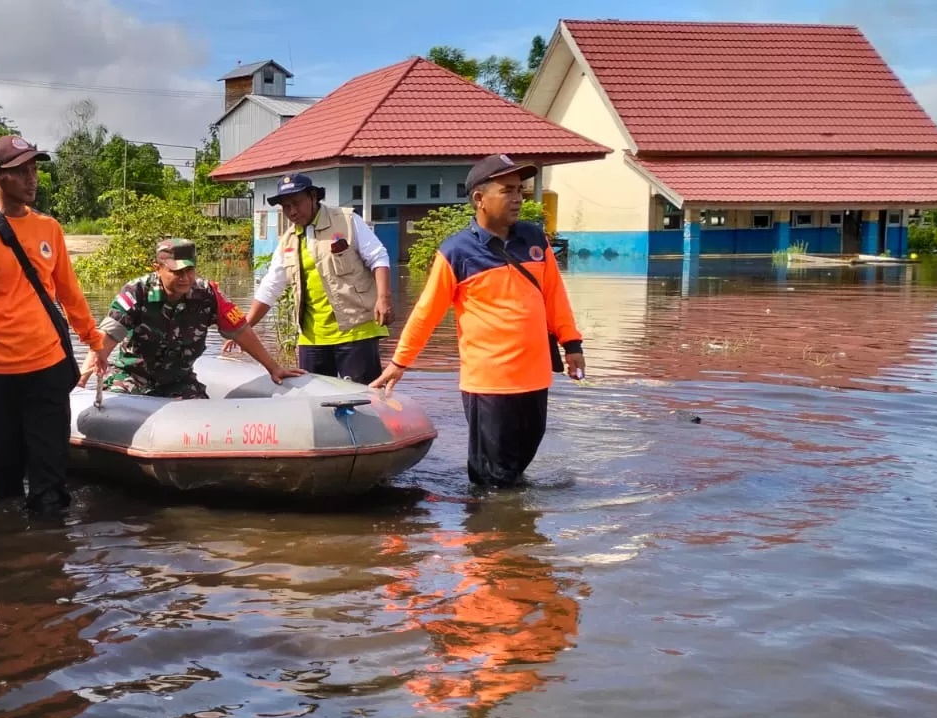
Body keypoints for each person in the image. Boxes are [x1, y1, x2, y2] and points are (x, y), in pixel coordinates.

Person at [369, 154, 586, 488]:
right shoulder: (457, 251)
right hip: (489, 385)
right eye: (507, 190)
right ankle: (487, 522)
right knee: (491, 481)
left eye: (520, 190)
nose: (518, 198)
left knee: (516, 469)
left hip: (535, 379)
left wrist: (572, 345)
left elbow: (555, 297)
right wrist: (400, 363)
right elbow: (426, 313)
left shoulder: (535, 240)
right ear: (479, 198)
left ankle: (514, 519)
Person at [0, 135, 104, 516]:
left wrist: (94, 342)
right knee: (3, 481)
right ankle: (8, 546)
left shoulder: (49, 228)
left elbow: (70, 292)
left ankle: (48, 548)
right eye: (20, 172)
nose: (31, 178)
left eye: (33, 169)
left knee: (51, 485)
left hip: (46, 368)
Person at [79, 238, 304, 398]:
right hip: (133, 377)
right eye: (177, 272)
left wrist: (273, 368)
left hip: (179, 380)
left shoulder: (206, 294)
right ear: (158, 268)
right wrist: (81, 382)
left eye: (190, 271)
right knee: (116, 406)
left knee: (203, 417)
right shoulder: (137, 292)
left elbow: (241, 330)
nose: (185, 278)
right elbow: (106, 338)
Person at [225, 173, 394, 384]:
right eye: (286, 207)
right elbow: (270, 287)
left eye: (296, 203)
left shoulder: (347, 220)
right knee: (313, 398)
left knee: (363, 396)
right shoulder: (288, 240)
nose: (292, 211)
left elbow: (378, 257)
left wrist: (384, 298)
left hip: (356, 331)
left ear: (313, 197)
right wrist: (244, 329)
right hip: (312, 338)